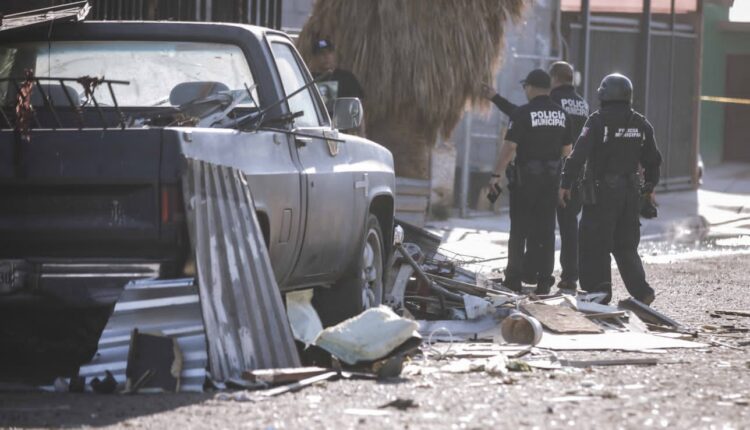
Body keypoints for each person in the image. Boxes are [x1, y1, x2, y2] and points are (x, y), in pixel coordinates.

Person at [482, 61, 589, 292]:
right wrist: (566, 180)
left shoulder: (525, 112)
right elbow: (567, 152)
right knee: (548, 229)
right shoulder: (569, 111)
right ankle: (545, 280)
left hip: (526, 180)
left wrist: (495, 175)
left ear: (531, 87)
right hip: (553, 181)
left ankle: (514, 278)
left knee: (520, 229)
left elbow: (510, 146)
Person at [558, 73, 662, 305]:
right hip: (629, 194)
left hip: (602, 194)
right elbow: (653, 161)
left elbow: (578, 155)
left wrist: (565, 183)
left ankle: (599, 291)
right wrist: (649, 188)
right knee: (625, 245)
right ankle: (642, 291)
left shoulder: (596, 121)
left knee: (594, 242)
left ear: (604, 94)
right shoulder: (641, 123)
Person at [308, 38, 365, 114]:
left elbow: (358, 106)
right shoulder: (308, 79)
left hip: (342, 123)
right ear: (314, 57)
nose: (326, 56)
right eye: (321, 53)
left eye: (329, 52)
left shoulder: (347, 78)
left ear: (334, 55)